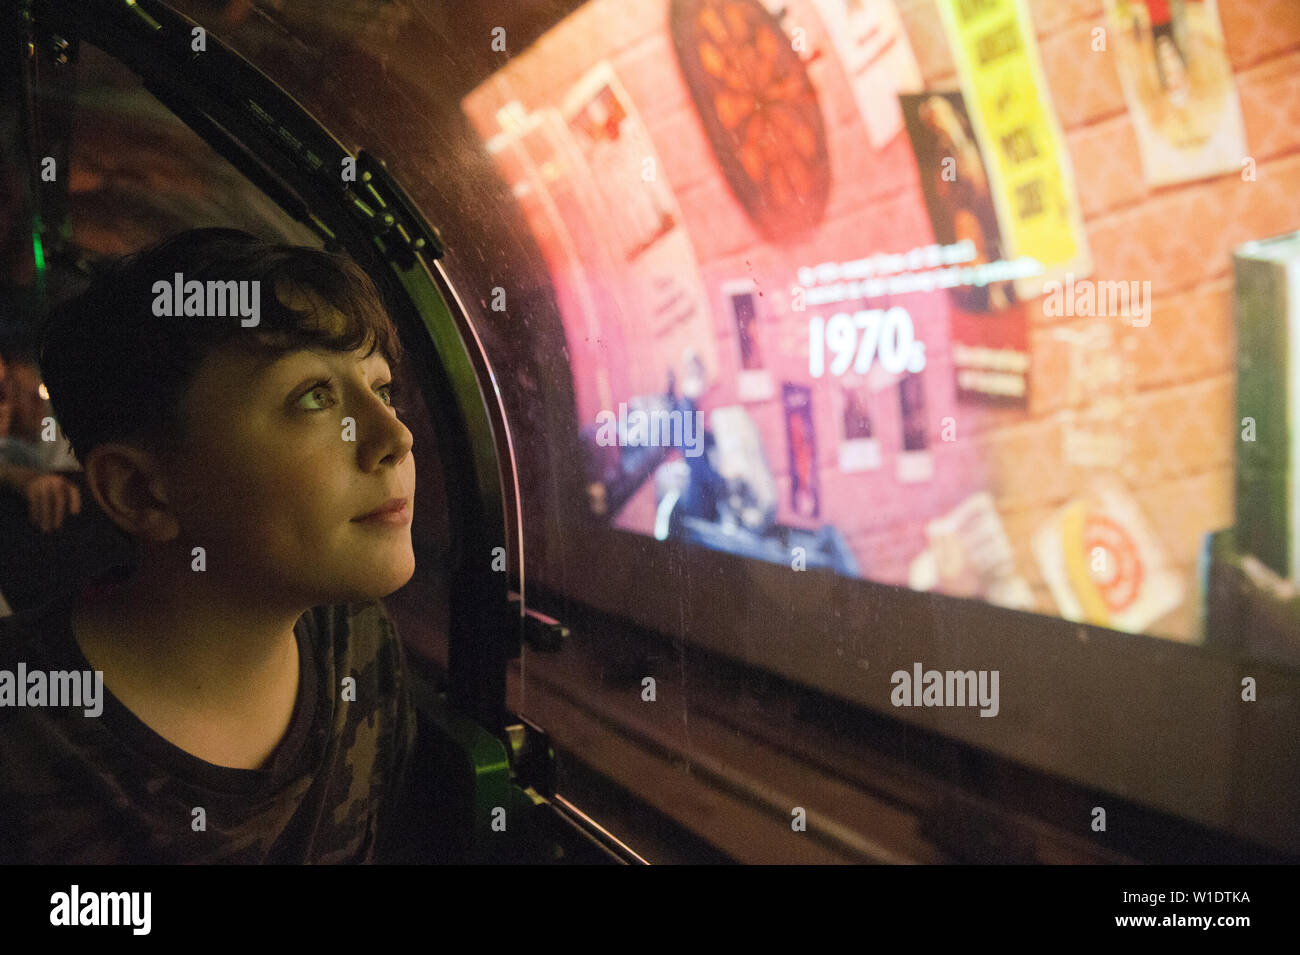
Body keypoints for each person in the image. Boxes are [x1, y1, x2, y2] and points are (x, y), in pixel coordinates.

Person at [0, 229, 420, 862]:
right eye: (313, 397)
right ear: (142, 492)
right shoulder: (23, 744)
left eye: (381, 389)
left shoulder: (357, 639)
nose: (395, 435)